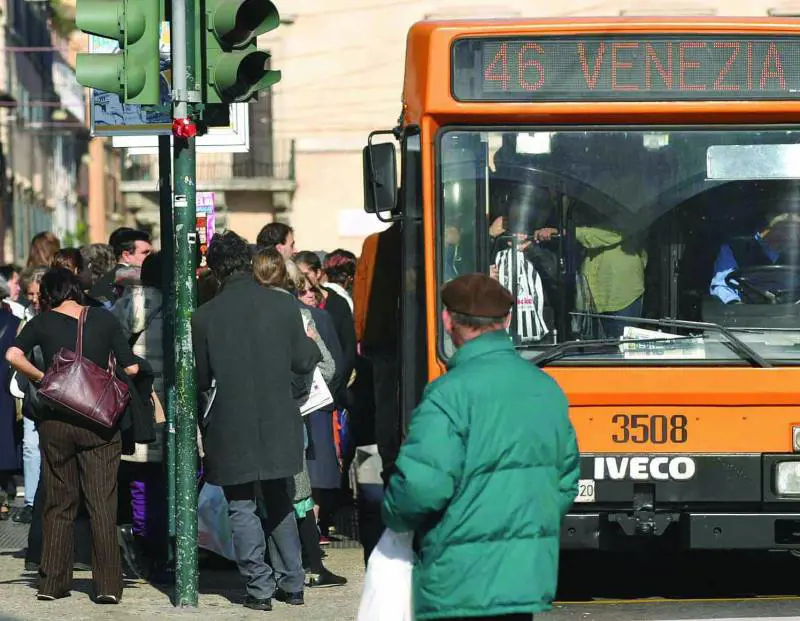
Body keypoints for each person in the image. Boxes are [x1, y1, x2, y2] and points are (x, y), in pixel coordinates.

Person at [383, 273, 580, 621]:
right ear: (506, 320)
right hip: (524, 578)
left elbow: (419, 488)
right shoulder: (547, 389)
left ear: (447, 321)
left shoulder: (447, 394)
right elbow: (564, 483)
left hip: (458, 579)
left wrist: (392, 515)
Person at [192, 232, 321, 611]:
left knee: (241, 503)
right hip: (279, 415)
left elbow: (200, 379)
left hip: (230, 420)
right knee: (281, 497)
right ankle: (293, 583)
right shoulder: (282, 306)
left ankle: (259, 589)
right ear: (249, 262)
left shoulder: (204, 317)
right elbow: (303, 360)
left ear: (214, 270)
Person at [6, 268, 139, 604]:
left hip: (56, 422)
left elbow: (12, 355)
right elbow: (132, 367)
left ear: (49, 293)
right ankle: (108, 584)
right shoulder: (105, 320)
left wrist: (44, 379)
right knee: (102, 503)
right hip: (99, 423)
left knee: (58, 503)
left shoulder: (42, 322)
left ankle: (52, 582)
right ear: (76, 290)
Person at [710, 210, 800, 304]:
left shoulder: (796, 253)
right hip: (747, 313)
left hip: (792, 313)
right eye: (786, 228)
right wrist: (735, 304)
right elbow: (722, 285)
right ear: (769, 223)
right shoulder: (735, 249)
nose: (792, 237)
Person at [89, 228, 152, 306]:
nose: (150, 257)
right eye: (145, 253)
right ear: (126, 256)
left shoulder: (103, 281)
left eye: (151, 252)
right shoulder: (133, 282)